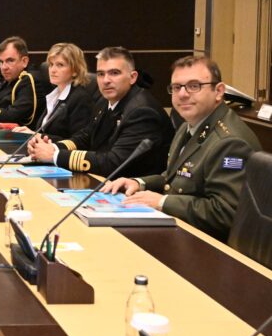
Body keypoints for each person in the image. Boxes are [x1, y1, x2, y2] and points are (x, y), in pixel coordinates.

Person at [103, 56, 260, 241]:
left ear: (218, 91)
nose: (183, 94)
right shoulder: (189, 125)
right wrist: (139, 183)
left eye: (194, 86)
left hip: (209, 244)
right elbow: (177, 178)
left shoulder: (230, 143)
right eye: (177, 87)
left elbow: (225, 213)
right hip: (185, 231)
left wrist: (163, 202)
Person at [28, 46, 173, 177]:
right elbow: (86, 136)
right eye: (101, 74)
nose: (106, 80)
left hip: (135, 188)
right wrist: (52, 147)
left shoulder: (142, 111)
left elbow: (114, 162)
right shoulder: (105, 100)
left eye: (114, 73)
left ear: (132, 77)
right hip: (106, 181)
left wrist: (55, 155)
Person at [16, 43, 94, 141]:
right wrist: (30, 133)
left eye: (60, 65)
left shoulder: (80, 99)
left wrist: (36, 135)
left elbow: (78, 141)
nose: (53, 70)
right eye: (51, 64)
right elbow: (44, 131)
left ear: (75, 70)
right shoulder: (54, 94)